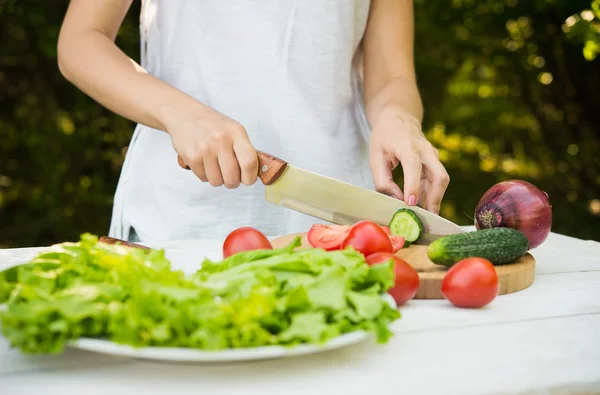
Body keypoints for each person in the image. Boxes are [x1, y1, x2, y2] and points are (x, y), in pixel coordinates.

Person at [57, 0, 450, 244]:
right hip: (181, 219)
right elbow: (81, 40)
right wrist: (180, 113)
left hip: (340, 219)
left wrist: (399, 118)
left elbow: (392, 77)